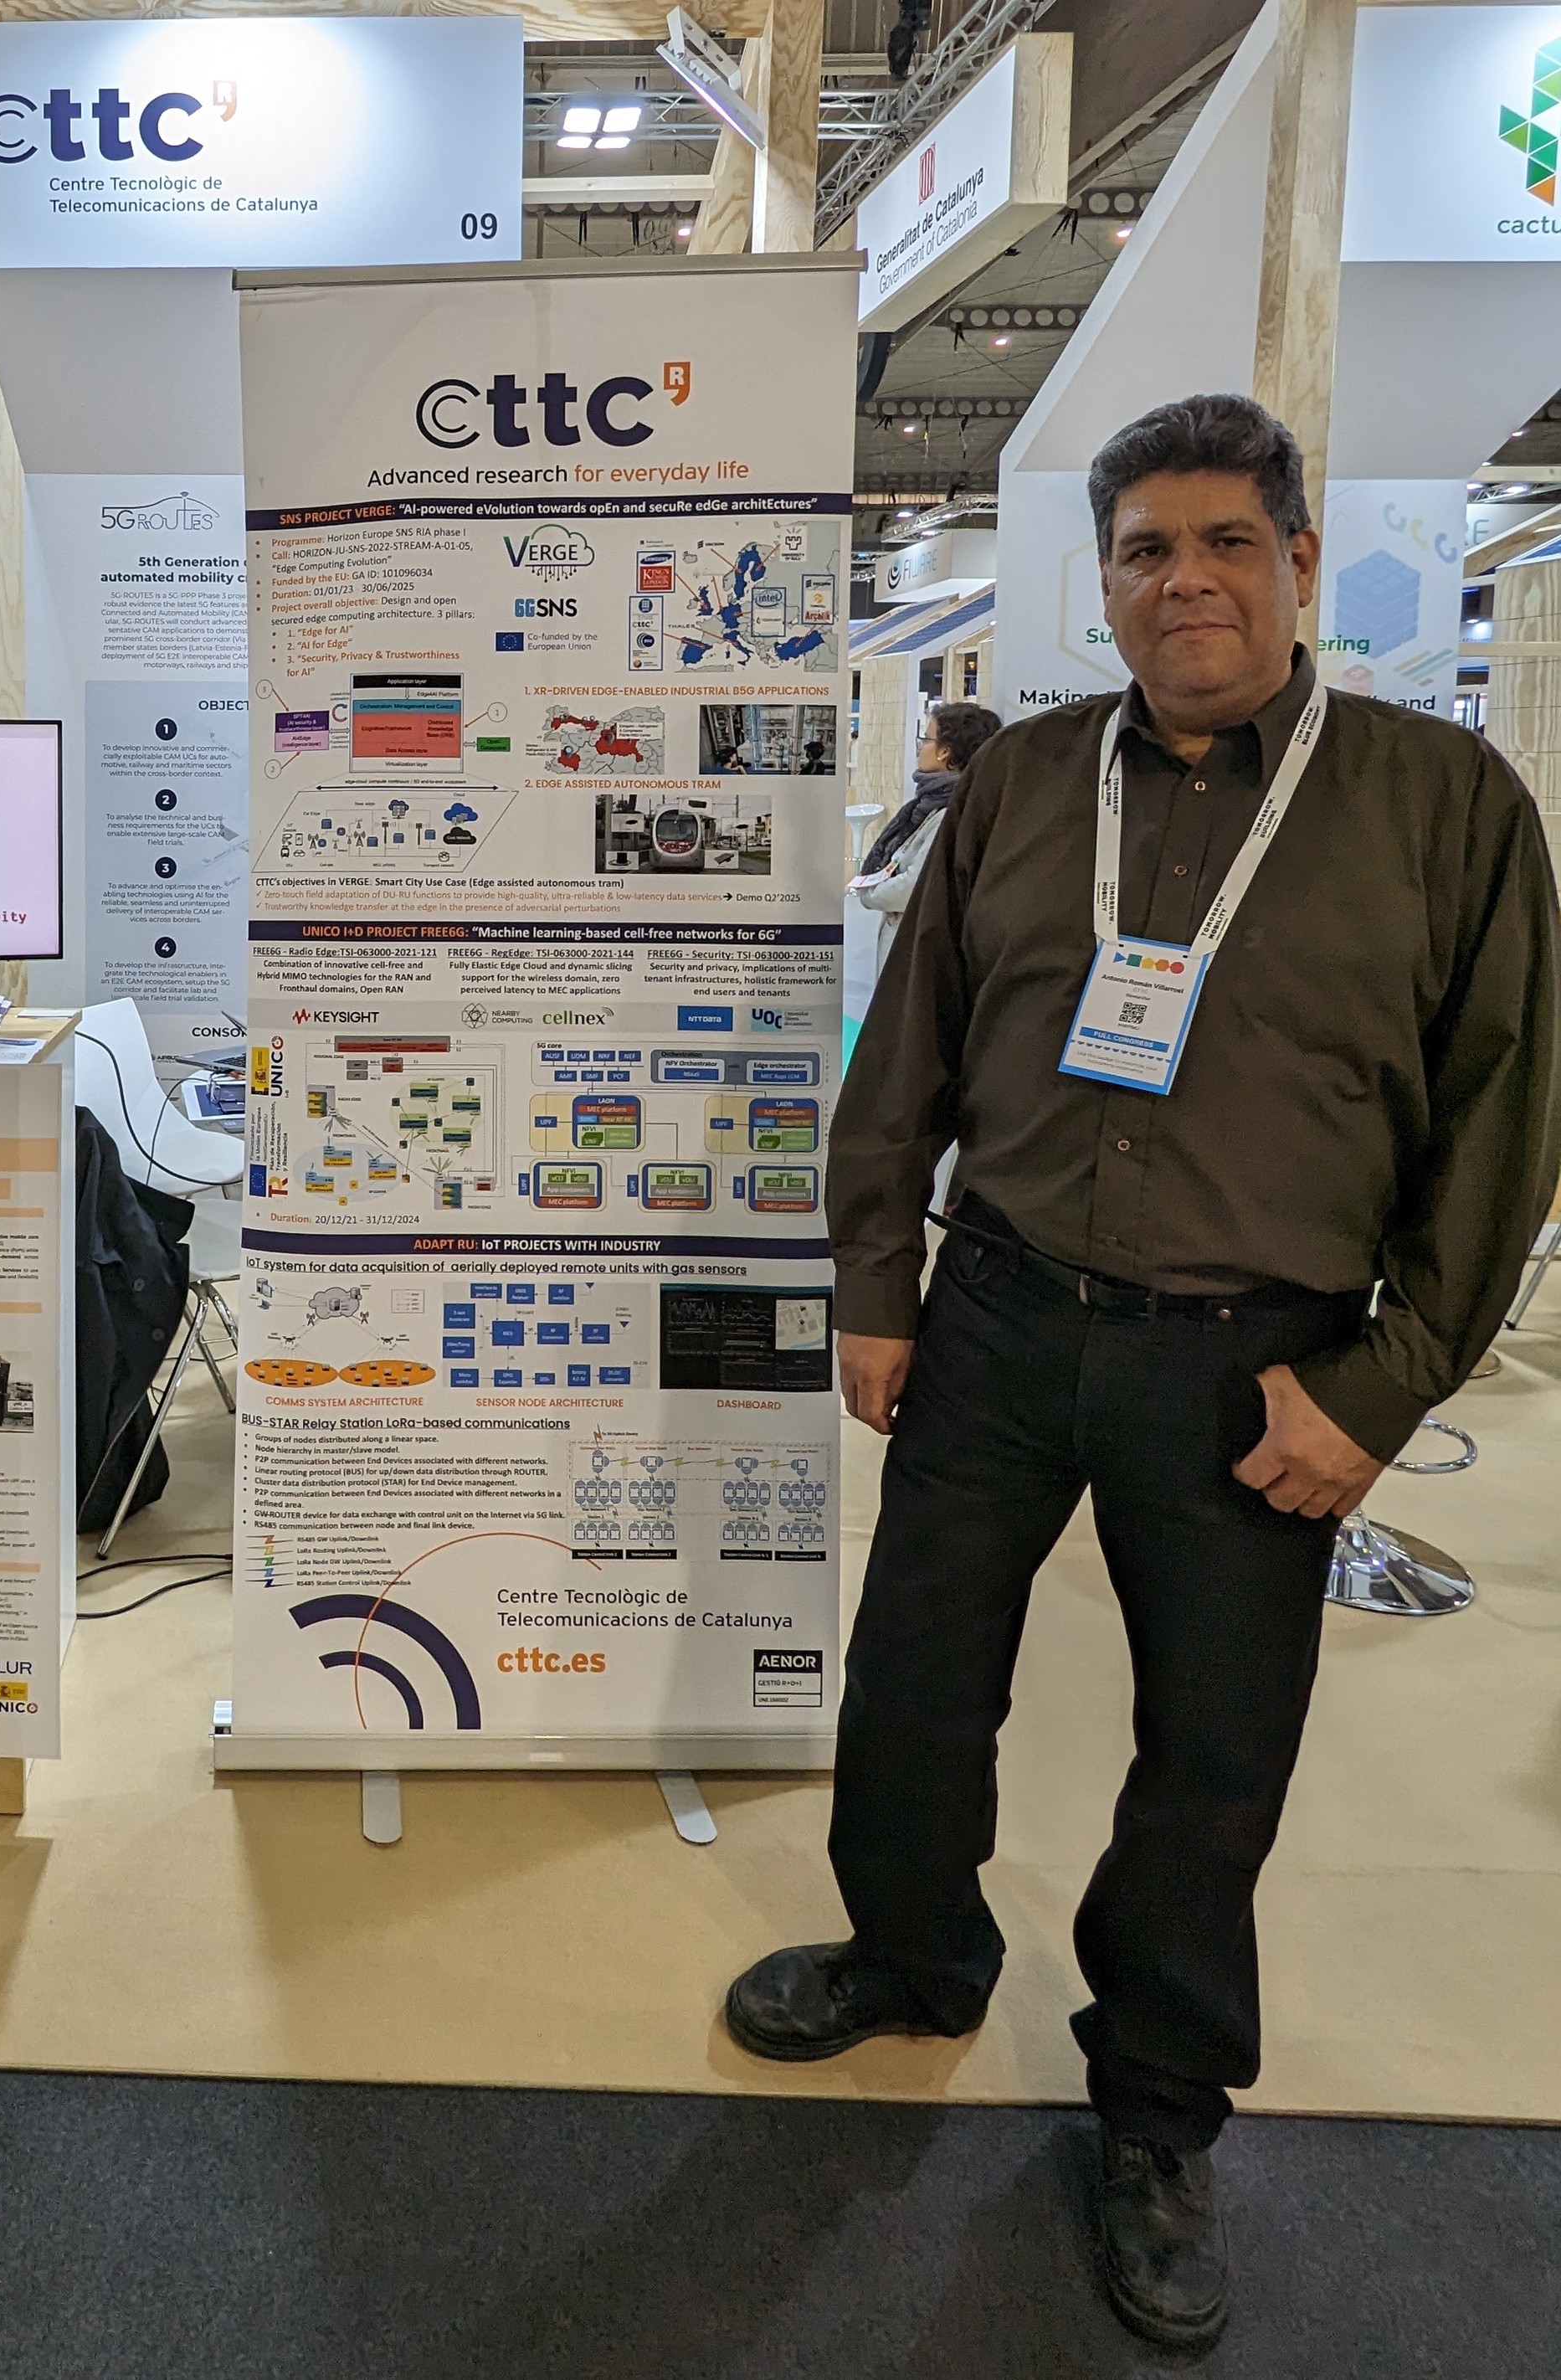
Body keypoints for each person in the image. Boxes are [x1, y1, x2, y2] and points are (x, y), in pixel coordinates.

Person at [724, 396, 1559, 2350]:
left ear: (1295, 562)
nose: (1183, 580)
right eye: (1142, 552)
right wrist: (876, 1284)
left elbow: (1503, 1118)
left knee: (1211, 1754)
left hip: (1259, 1362)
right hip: (1001, 1316)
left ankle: (1157, 2111)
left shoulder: (1442, 803)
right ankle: (911, 1952)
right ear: (1099, 583)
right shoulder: (1024, 780)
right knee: (913, 1675)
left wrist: (1381, 1387)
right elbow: (905, 1052)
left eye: (1222, 543)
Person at [849, 698, 999, 969]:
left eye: (926, 739)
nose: (920, 746)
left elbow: (915, 886)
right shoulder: (936, 805)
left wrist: (869, 893)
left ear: (945, 752)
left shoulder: (951, 812)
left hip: (921, 954)